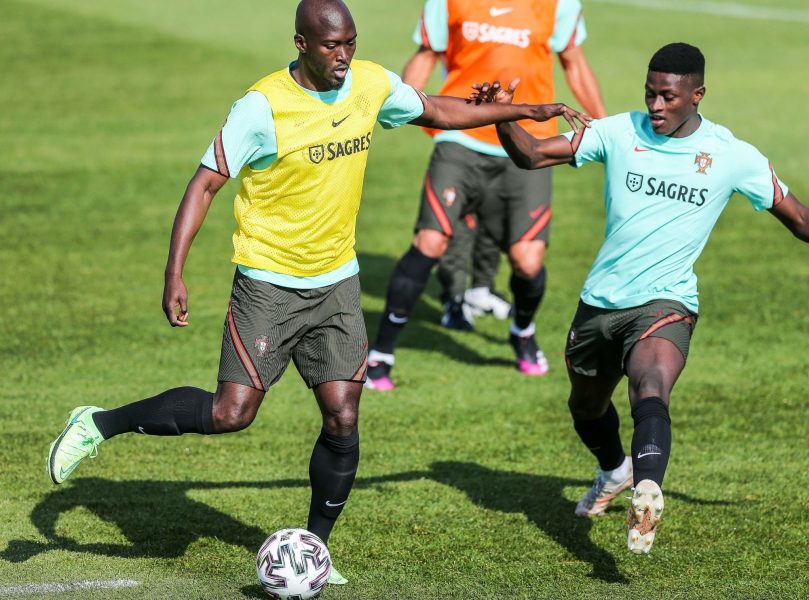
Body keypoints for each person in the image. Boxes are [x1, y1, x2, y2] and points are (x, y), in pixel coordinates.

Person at [45, 0, 589, 584]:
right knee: (232, 413)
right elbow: (203, 185)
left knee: (342, 416)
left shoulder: (369, 83)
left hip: (337, 283)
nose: (344, 56)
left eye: (351, 43)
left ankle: (315, 552)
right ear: (302, 44)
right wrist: (174, 272)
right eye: (332, 46)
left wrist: (527, 109)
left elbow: (437, 109)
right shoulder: (262, 106)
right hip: (268, 284)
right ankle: (99, 424)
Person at [479, 42, 808, 554]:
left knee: (649, 386)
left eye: (668, 98)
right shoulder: (616, 131)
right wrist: (500, 113)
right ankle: (615, 471)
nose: (656, 106)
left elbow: (801, 221)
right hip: (600, 302)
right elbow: (530, 154)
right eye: (650, 94)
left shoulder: (731, 155)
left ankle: (647, 488)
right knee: (585, 407)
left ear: (697, 95)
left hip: (666, 302)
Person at [366, 0, 606, 389]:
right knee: (429, 242)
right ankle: (381, 352)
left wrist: (604, 129)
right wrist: (395, 106)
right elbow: (427, 55)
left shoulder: (559, 4)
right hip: (460, 138)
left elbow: (574, 62)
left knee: (528, 262)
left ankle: (522, 331)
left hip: (528, 144)